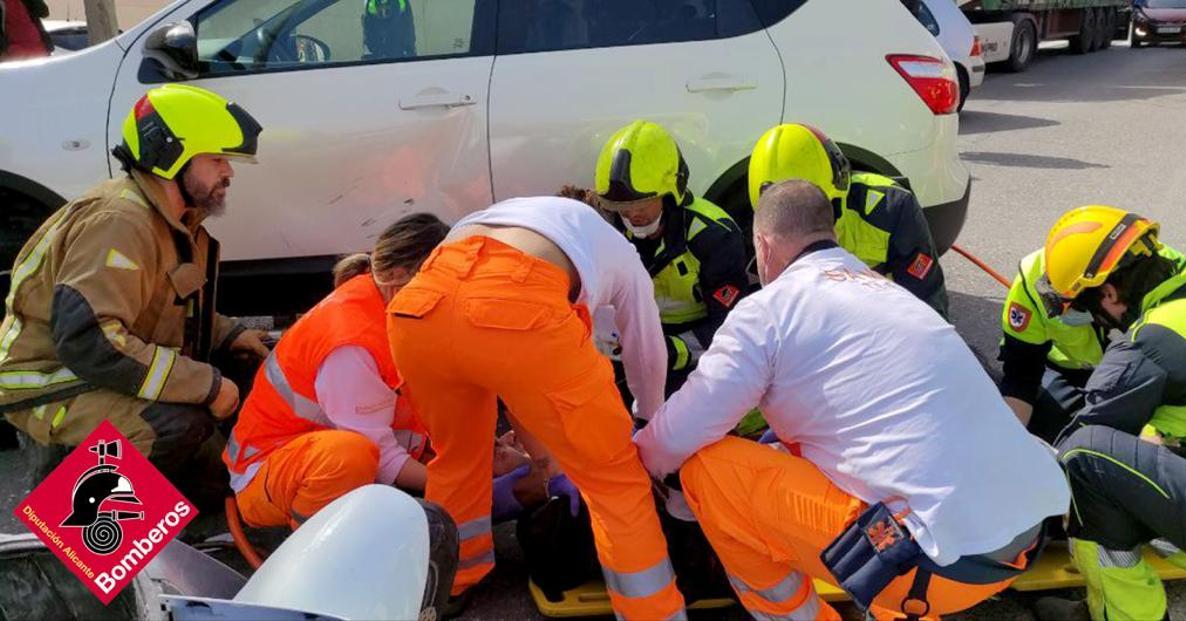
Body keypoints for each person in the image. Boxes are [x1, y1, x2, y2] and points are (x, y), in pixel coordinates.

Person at [635, 180, 1070, 620]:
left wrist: (638, 458)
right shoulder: (885, 292)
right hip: (1018, 543)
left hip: (927, 569)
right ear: (833, 235)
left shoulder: (768, 312)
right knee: (796, 454)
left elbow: (678, 436)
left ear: (763, 247)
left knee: (710, 470)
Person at [386, 196, 686, 619]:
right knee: (614, 479)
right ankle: (652, 611)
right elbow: (647, 349)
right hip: (515, 310)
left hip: (418, 312)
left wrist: (549, 462)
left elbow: (509, 374)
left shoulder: (503, 219)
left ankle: (453, 580)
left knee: (458, 457)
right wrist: (648, 419)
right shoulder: (618, 250)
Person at [0, 84, 266, 508]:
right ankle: (78, 528)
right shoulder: (120, 223)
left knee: (217, 453)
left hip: (92, 367)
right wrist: (208, 386)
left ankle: (167, 504)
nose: (228, 172)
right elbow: (90, 340)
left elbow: (162, 305)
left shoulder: (171, 219)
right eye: (216, 159)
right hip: (53, 381)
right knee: (173, 425)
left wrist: (228, 335)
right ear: (170, 157)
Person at [1025, 206, 1186, 621]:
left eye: (1083, 306)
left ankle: (1125, 614)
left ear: (1108, 294)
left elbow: (1083, 435)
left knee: (1085, 459)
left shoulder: (1147, 344)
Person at [225, 214, 450, 529]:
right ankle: (316, 550)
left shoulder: (384, 301)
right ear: (399, 277)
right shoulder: (352, 342)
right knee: (351, 456)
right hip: (268, 476)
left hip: (310, 459)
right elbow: (381, 456)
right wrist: (454, 483)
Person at [594, 120, 748, 394]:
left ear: (670, 193)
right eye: (622, 208)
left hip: (696, 347)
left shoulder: (713, 237)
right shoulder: (613, 228)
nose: (631, 215)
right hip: (633, 338)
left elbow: (729, 328)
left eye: (640, 204)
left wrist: (669, 350)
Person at [748, 123, 948, 318]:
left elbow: (926, 300)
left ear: (839, 189)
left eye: (814, 212)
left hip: (883, 318)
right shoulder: (753, 228)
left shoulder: (889, 209)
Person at [997, 240, 1186, 441]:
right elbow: (1021, 371)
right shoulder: (1033, 279)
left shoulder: (1171, 285)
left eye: (1074, 307)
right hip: (1068, 368)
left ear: (1109, 294)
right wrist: (1009, 439)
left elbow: (1172, 387)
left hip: (1142, 379)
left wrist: (1145, 445)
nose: (1065, 315)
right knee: (1049, 421)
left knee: (1110, 441)